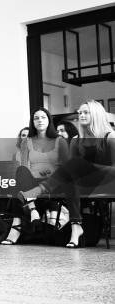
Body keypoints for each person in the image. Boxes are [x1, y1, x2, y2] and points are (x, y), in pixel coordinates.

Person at [19, 100, 114, 248]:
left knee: (75, 164)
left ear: (96, 114)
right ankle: (76, 226)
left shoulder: (110, 136)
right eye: (80, 113)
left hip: (108, 181)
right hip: (86, 184)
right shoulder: (76, 140)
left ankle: (38, 191)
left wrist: (87, 167)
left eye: (86, 112)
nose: (81, 115)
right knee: (70, 177)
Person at [1, 107, 68, 245]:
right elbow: (25, 166)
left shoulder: (60, 141)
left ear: (49, 120)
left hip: (53, 181)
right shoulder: (27, 141)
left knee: (17, 189)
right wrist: (35, 174)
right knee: (20, 171)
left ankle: (17, 226)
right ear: (33, 122)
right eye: (36, 118)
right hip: (34, 181)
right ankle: (33, 210)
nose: (40, 120)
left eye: (43, 117)